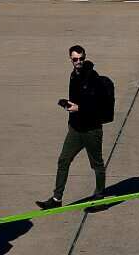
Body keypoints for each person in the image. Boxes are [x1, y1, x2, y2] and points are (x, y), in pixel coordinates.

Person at [36, 45, 107, 209]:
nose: (79, 62)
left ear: (85, 57)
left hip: (91, 129)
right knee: (63, 160)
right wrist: (67, 104)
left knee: (97, 164)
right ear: (70, 59)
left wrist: (79, 108)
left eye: (81, 58)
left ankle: (100, 198)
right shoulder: (73, 76)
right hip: (76, 129)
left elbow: (98, 104)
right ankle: (56, 199)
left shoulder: (93, 77)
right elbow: (76, 100)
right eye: (75, 59)